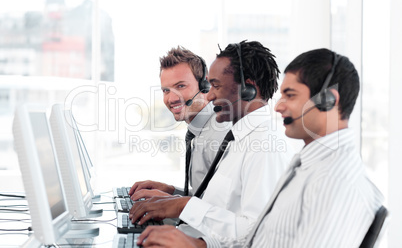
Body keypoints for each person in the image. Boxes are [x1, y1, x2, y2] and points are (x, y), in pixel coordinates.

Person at [133, 48, 384, 248]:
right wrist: (198, 244)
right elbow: (258, 234)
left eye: (291, 95)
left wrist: (186, 216)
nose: (277, 106)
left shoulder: (332, 182)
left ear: (329, 100)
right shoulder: (305, 165)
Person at [129, 40, 292, 245]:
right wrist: (173, 200)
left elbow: (260, 232)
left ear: (248, 89)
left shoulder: (265, 146)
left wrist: (185, 212)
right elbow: (219, 210)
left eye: (215, 85)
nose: (210, 95)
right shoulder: (238, 139)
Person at [129, 46, 231, 198]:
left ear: (205, 86)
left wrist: (170, 202)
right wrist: (169, 191)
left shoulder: (219, 133)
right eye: (166, 90)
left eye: (181, 86)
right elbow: (204, 197)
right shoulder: (199, 131)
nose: (172, 98)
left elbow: (221, 210)